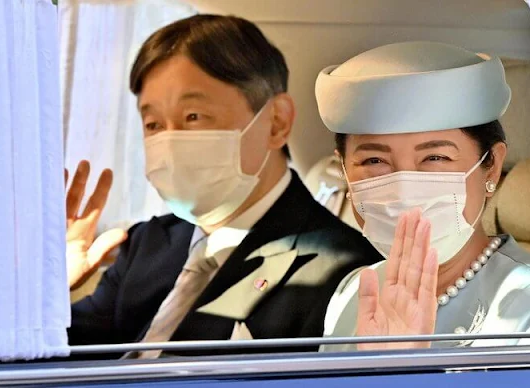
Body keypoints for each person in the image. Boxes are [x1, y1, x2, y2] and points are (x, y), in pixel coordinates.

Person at [65, 14, 382, 359]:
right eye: (153, 123)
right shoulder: (148, 242)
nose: (169, 142)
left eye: (193, 116)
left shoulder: (344, 272)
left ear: (276, 122)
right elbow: (63, 357)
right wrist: (48, 290)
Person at [314, 41, 530, 351]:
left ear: (491, 166)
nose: (404, 190)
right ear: (343, 170)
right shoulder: (353, 293)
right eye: (374, 161)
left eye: (435, 158)